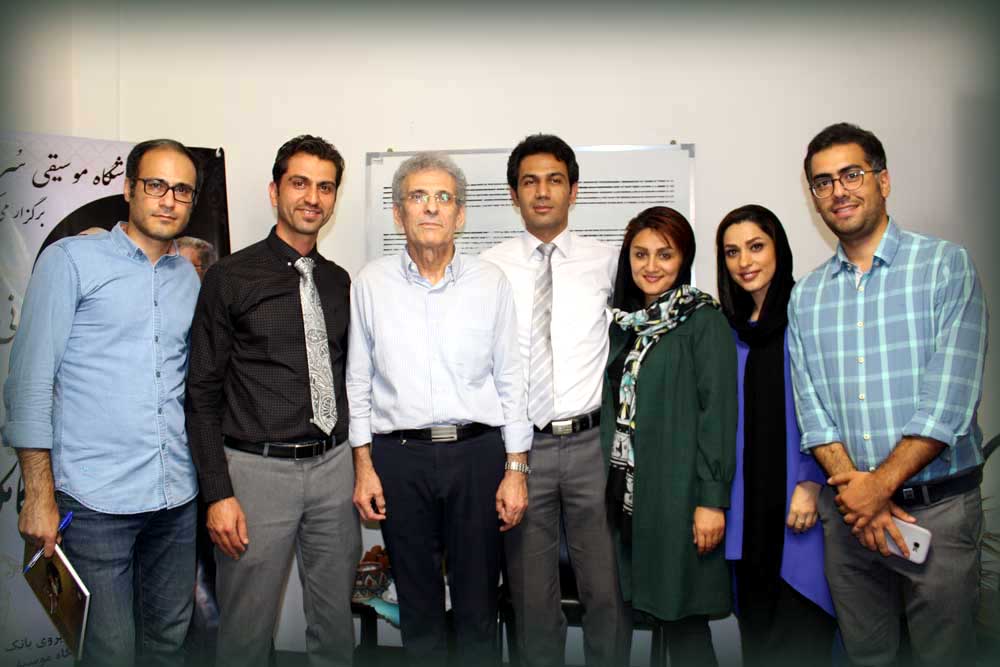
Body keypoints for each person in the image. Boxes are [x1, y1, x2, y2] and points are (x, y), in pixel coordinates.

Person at [788, 122, 988, 667]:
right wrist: (863, 499)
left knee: (946, 656)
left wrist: (877, 488)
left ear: (883, 180)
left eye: (851, 174)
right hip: (849, 519)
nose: (838, 191)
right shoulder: (806, 296)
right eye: (823, 182)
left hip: (937, 512)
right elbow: (813, 413)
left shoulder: (945, 267)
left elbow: (948, 403)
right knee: (866, 654)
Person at [3, 138, 203, 666]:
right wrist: (38, 494)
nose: (168, 199)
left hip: (175, 497)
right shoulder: (71, 260)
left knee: (168, 644)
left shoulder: (188, 277)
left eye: (182, 190)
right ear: (129, 189)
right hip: (95, 504)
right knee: (108, 652)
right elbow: (29, 381)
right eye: (156, 185)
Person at [348, 152, 531, 667]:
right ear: (398, 212)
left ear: (460, 214)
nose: (431, 207)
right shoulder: (371, 283)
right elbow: (357, 381)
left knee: (478, 602)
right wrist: (363, 466)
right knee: (418, 604)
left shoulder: (490, 282)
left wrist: (516, 469)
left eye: (443, 197)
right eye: (418, 196)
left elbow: (512, 380)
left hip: (477, 456)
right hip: (399, 458)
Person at [185, 135, 360, 667]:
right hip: (256, 475)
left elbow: (349, 375)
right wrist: (218, 493)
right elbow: (201, 391)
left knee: (335, 626)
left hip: (333, 468)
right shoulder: (228, 277)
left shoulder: (338, 282)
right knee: (246, 631)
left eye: (325, 187)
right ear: (274, 191)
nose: (313, 197)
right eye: (300, 183)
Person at [481, 133, 626, 667]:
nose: (542, 192)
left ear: (574, 190)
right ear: (513, 194)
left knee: (605, 592)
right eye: (530, 182)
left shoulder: (608, 263)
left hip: (592, 446)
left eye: (554, 181)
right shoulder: (488, 268)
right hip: (521, 452)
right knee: (530, 599)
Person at [600, 206, 736, 667]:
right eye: (640, 254)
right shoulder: (625, 325)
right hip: (632, 498)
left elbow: (718, 417)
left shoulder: (703, 321)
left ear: (684, 259)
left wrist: (711, 501)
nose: (651, 266)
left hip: (681, 499)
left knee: (685, 623)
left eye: (665, 254)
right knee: (651, 613)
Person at [715, 204, 836, 667]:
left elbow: (830, 404)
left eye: (755, 246)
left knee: (801, 639)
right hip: (747, 519)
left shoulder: (808, 315)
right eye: (732, 252)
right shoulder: (729, 331)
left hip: (798, 508)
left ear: (778, 250)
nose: (744, 261)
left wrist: (810, 480)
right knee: (758, 642)